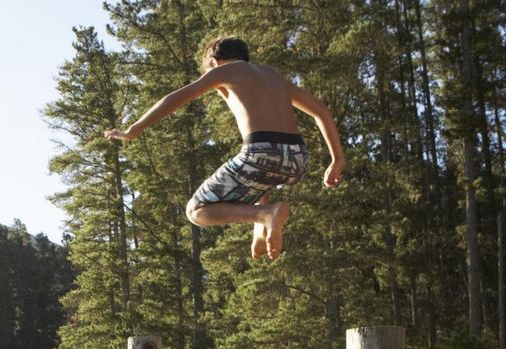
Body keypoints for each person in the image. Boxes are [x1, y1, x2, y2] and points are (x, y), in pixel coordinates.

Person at [105, 36, 345, 260]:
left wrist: (133, 130)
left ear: (213, 62)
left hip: (260, 152)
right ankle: (260, 227)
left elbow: (175, 98)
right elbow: (321, 112)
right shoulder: (274, 76)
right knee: (259, 178)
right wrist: (337, 160)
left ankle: (264, 215)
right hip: (297, 160)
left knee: (196, 211)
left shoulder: (224, 71)